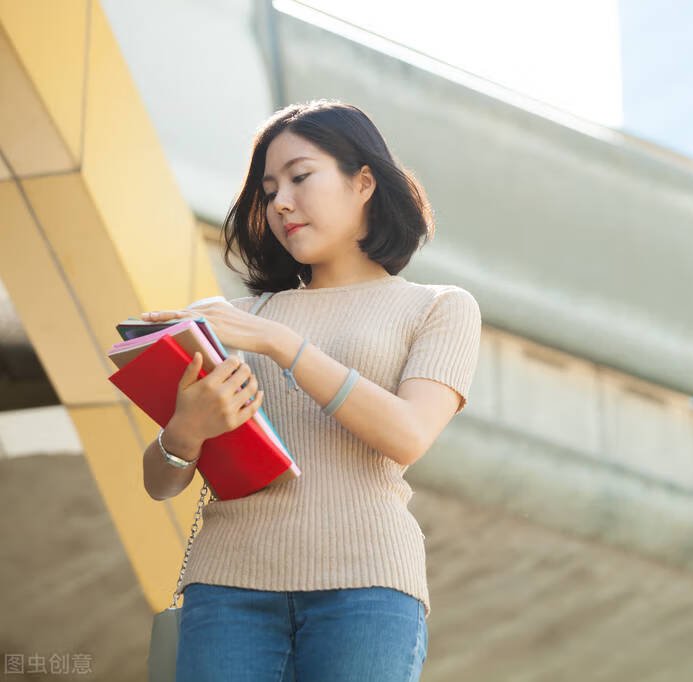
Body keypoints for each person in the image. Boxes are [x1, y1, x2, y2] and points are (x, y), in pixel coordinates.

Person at [138, 99, 482, 681]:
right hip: (226, 591)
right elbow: (159, 483)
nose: (281, 203)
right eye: (269, 190)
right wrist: (186, 429)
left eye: (300, 177)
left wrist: (281, 343)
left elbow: (406, 435)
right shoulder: (235, 319)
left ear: (364, 181)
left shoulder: (438, 308)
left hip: (367, 590)